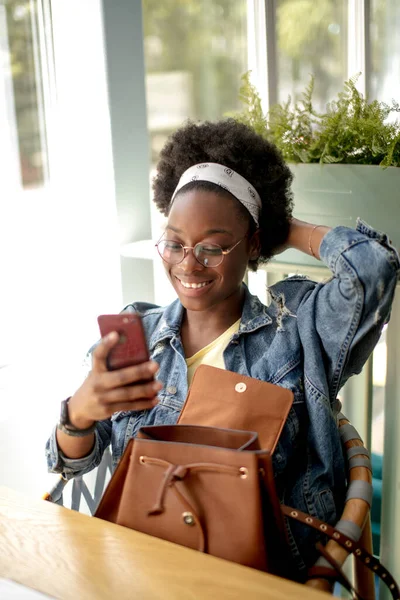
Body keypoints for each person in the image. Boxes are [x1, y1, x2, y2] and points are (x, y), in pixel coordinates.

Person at [46, 119, 399, 582]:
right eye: (174, 243)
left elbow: (373, 269)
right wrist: (80, 414)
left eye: (212, 247)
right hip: (139, 565)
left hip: (256, 576)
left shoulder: (296, 327)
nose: (189, 263)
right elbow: (73, 464)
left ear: (252, 243)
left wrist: (280, 225)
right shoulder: (139, 334)